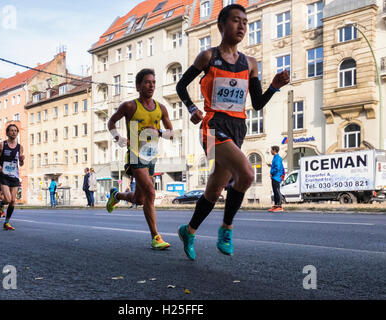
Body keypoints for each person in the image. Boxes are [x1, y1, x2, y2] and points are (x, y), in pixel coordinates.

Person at [175, 4, 290, 260]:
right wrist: (192, 108)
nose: (241, 26)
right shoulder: (207, 57)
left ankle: (189, 231)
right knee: (247, 175)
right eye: (236, 21)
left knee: (214, 191)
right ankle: (226, 229)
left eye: (245, 23)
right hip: (213, 126)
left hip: (238, 128)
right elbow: (181, 85)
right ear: (221, 25)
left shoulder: (250, 63)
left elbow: (257, 103)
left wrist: (273, 86)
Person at [106, 68, 175, 250]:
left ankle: (116, 195)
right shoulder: (130, 106)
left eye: (153, 82)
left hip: (151, 156)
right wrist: (119, 138)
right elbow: (111, 122)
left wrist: (159, 131)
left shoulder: (162, 108)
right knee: (151, 193)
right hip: (135, 154)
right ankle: (156, 237)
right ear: (138, 86)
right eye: (147, 82)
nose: (151, 85)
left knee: (140, 199)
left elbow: (171, 134)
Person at [0, 124, 24, 230]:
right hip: (4, 175)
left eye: (15, 130)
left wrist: (22, 159)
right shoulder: (2, 145)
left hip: (14, 175)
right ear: (7, 133)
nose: (14, 132)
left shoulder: (20, 147)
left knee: (13, 201)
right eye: (11, 130)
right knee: (9, 199)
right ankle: (1, 203)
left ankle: (6, 222)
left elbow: (21, 163)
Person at [268, 146, 284, 212]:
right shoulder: (275, 157)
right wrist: (271, 166)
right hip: (274, 177)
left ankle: (280, 206)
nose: (270, 151)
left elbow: (277, 168)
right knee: (275, 191)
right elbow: (276, 166)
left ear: (274, 150)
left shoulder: (277, 158)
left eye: (271, 150)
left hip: (276, 177)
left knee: (277, 191)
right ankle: (276, 205)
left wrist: (272, 172)